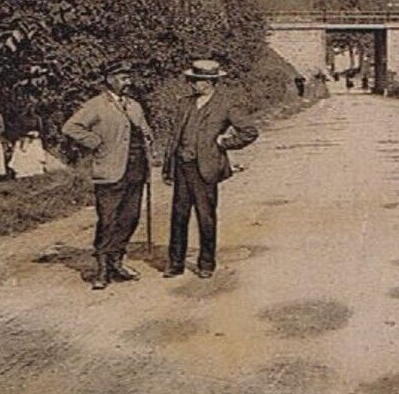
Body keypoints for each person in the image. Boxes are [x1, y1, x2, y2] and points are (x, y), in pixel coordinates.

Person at [63, 61, 157, 290]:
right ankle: (103, 268)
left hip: (136, 170)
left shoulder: (134, 106)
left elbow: (146, 132)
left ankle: (117, 261)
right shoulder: (96, 105)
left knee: (130, 218)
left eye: (129, 77)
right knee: (108, 220)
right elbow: (71, 127)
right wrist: (96, 142)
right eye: (123, 77)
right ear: (109, 79)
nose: (128, 82)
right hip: (110, 170)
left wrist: (149, 148)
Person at [163, 59, 259, 279]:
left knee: (206, 217)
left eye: (196, 80)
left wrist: (224, 142)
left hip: (205, 169)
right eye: (192, 80)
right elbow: (174, 138)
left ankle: (206, 263)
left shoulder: (225, 105)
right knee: (178, 216)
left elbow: (249, 131)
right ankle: (175, 263)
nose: (192, 84)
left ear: (209, 82)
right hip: (182, 167)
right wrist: (168, 168)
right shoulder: (184, 103)